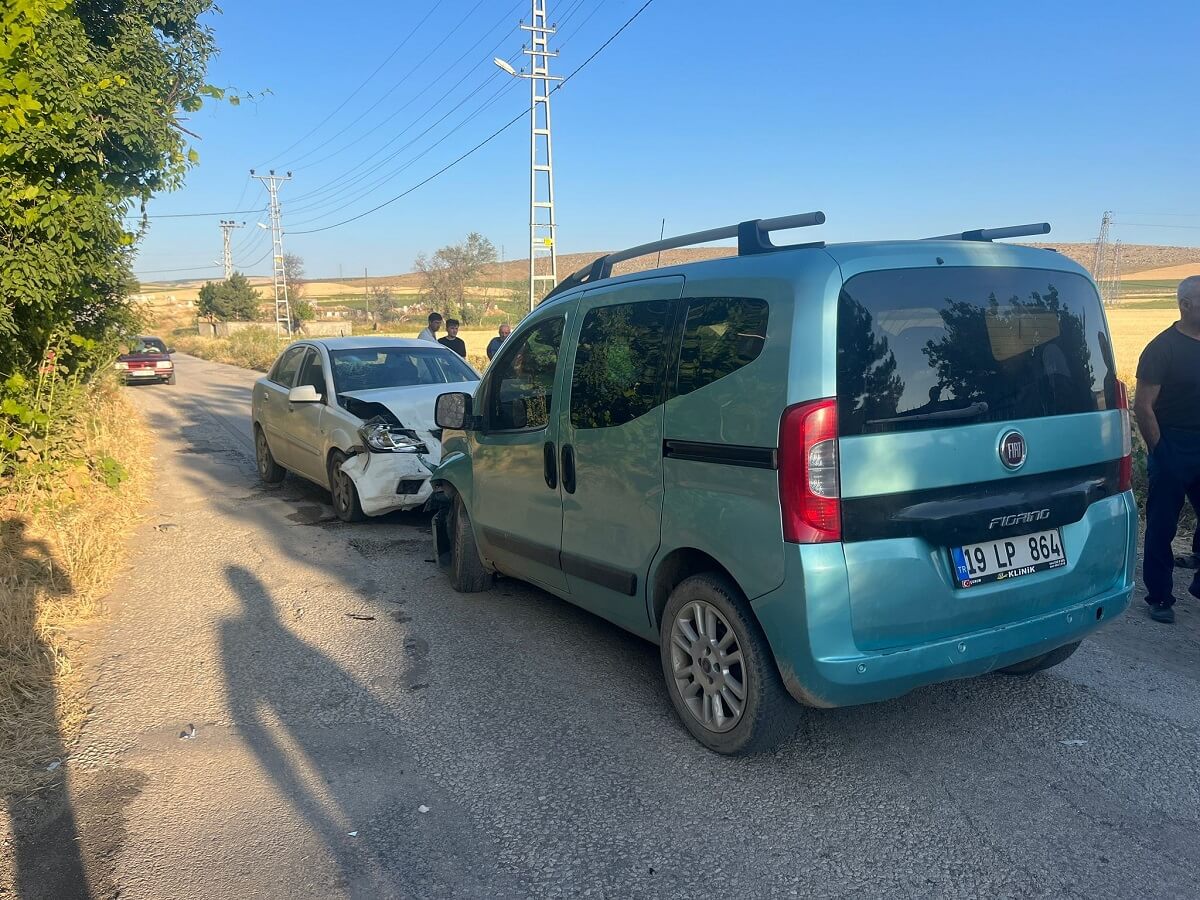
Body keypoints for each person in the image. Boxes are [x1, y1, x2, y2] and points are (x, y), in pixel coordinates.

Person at [1133, 275, 1200, 623]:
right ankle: (1159, 597)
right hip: (1172, 443)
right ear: (1186, 305)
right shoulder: (1163, 348)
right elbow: (1143, 406)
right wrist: (1162, 452)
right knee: (1162, 525)